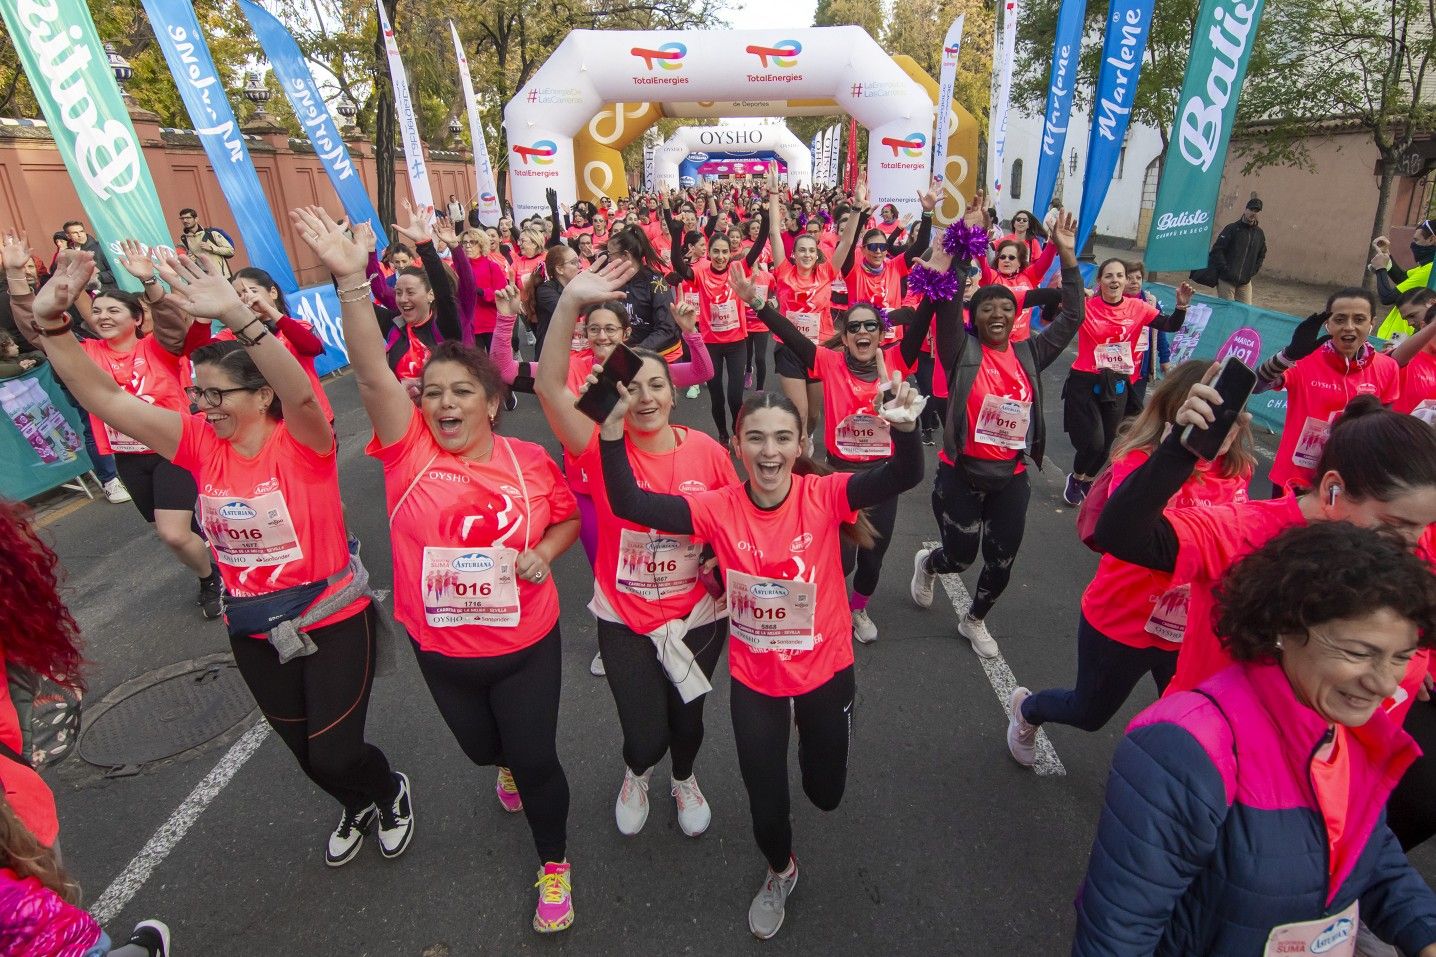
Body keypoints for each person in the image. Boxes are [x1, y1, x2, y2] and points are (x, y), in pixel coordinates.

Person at [35, 247, 415, 869]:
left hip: (329, 615)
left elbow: (296, 386)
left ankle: (385, 789)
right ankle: (356, 805)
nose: (202, 406)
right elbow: (105, 398)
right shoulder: (196, 442)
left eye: (215, 395)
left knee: (335, 751)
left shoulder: (305, 441)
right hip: (252, 627)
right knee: (303, 753)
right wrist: (51, 325)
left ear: (261, 396)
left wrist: (241, 317)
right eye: (195, 394)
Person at [291, 205, 579, 933]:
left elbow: (568, 518)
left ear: (491, 402)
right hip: (442, 647)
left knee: (536, 757)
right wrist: (351, 283)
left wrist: (543, 554)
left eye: (461, 392)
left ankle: (554, 865)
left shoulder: (530, 461)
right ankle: (504, 763)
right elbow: (370, 372)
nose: (442, 402)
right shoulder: (410, 453)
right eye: (433, 392)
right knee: (486, 751)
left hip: (523, 644)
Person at [600, 382, 926, 940]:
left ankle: (820, 732)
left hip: (825, 670)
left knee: (825, 794)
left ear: (800, 443)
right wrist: (610, 433)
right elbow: (630, 503)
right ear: (736, 444)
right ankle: (780, 870)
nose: (769, 452)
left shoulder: (823, 494)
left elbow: (903, 475)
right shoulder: (717, 507)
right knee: (766, 805)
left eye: (781, 438)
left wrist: (906, 429)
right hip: (758, 681)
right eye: (756, 439)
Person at [1072, 522, 1436, 957]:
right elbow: (1117, 935)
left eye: (1402, 657)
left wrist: (1424, 929)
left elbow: (1367, 848)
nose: (1383, 683)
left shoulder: (1351, 729)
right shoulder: (1183, 751)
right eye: (1359, 653)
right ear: (1284, 627)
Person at [535, 264, 738, 839]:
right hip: (625, 615)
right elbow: (550, 387)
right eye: (633, 387)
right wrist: (570, 302)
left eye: (657, 385)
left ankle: (683, 778)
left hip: (698, 614)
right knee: (644, 728)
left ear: (675, 395)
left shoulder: (708, 453)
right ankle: (637, 771)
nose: (644, 396)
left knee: (689, 721)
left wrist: (724, 562)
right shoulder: (599, 450)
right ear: (615, 397)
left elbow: (734, 526)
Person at [1094, 383, 1436, 698]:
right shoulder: (1245, 532)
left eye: (1428, 525)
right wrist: (1178, 452)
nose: (1414, 541)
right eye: (1397, 524)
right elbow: (1122, 534)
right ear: (1334, 489)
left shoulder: (1407, 544)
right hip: (1216, 748)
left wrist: (1406, 657)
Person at [1006, 362, 1255, 766]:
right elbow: (1129, 535)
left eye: (1231, 417)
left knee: (1193, 724)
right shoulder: (1140, 463)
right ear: (1179, 410)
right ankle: (1029, 710)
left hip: (1191, 630)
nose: (1222, 428)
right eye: (1208, 414)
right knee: (1089, 713)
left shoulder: (1237, 472)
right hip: (1123, 620)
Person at [5, 236, 220, 617]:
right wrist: (16, 278)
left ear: (136, 318)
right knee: (178, 533)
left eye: (113, 310)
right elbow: (40, 332)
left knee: (173, 533)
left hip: (175, 448)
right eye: (98, 310)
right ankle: (217, 561)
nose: (103, 316)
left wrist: (151, 283)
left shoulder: (157, 347)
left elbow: (174, 330)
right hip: (128, 458)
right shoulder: (86, 354)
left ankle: (212, 580)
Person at [909, 210, 1085, 658]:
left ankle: (975, 619)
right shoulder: (959, 350)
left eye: (1008, 307)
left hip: (1010, 476)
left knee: (1002, 560)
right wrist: (962, 247)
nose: (1000, 314)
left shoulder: (1031, 353)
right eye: (989, 307)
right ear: (976, 315)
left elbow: (1072, 316)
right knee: (960, 558)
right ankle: (928, 564)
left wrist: (1066, 255)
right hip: (961, 474)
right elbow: (948, 304)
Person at [731, 266, 928, 644]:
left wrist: (946, 270)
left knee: (875, 552)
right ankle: (830, 597)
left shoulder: (897, 364)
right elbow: (791, 335)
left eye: (870, 326)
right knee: (841, 554)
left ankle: (858, 608)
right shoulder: (829, 362)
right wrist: (755, 301)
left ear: (881, 332)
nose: (862, 332)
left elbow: (923, 320)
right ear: (844, 335)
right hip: (837, 476)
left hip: (883, 475)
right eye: (854, 327)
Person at [1061, 261, 1191, 506]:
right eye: (1109, 276)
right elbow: (1055, 314)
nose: (1115, 280)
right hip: (1086, 379)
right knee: (1094, 440)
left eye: (1119, 276)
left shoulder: (1138, 307)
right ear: (1099, 281)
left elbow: (1169, 324)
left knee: (1108, 443)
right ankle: (1076, 477)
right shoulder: (1087, 307)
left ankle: (1086, 479)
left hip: (1119, 381)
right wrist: (1068, 294)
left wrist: (1181, 307)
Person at [1254, 288, 1399, 498]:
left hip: (1352, 483)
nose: (1349, 327)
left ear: (1372, 323)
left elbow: (1384, 425)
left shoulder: (1387, 367)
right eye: (1339, 319)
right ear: (1327, 324)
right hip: (1296, 481)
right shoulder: (1303, 359)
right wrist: (1288, 355)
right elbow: (1257, 385)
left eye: (1359, 319)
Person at [1208, 197, 1266, 303]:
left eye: (1257, 211)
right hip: (1227, 280)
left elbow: (1262, 254)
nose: (1253, 213)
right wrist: (1225, 269)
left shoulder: (1259, 234)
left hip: (1245, 282)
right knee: (1227, 311)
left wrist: (1252, 271)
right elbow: (1217, 250)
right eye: (1251, 209)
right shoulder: (1232, 229)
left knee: (1245, 312)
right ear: (1245, 210)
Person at [175, 208, 235, 279]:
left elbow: (231, 251)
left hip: (223, 277)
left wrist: (212, 248)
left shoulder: (212, 233)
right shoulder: (184, 239)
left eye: (188, 218)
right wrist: (188, 260)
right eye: (182, 218)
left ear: (196, 219)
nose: (185, 221)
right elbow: (180, 258)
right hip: (204, 279)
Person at [62, 220, 113, 287]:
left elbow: (116, 272)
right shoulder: (68, 252)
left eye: (81, 231)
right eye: (75, 233)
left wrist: (98, 276)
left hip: (106, 291)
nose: (79, 235)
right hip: (82, 292)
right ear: (68, 236)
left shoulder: (100, 247)